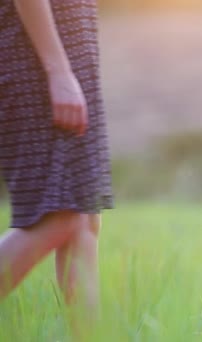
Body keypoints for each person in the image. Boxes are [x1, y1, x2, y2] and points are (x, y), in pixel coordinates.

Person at [0, 0, 114, 323]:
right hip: (36, 62)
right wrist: (58, 70)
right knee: (60, 218)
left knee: (83, 219)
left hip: (69, 56)